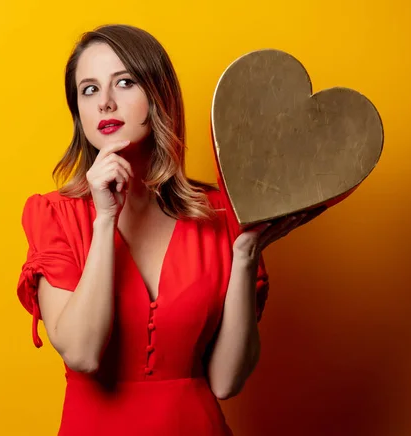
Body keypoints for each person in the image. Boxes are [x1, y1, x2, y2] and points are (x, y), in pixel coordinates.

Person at [16, 24, 316, 436]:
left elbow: (227, 381)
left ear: (158, 96)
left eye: (124, 82)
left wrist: (245, 257)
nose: (105, 103)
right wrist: (104, 219)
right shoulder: (54, 215)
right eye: (88, 90)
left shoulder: (221, 214)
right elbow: (82, 353)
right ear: (78, 113)